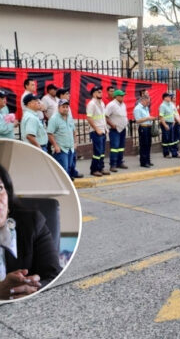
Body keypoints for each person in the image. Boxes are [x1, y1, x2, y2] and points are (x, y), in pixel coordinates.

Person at [0, 164, 61, 300]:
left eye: (0, 188)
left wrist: (31, 289)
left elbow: (54, 275)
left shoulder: (32, 223)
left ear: (8, 197)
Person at [56, 88, 83, 180]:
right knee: (64, 162)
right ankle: (67, 177)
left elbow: (70, 121)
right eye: (67, 94)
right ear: (61, 95)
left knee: (72, 158)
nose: (69, 95)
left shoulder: (68, 107)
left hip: (70, 136)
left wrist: (74, 133)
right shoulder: (59, 107)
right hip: (62, 141)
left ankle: (72, 172)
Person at [47, 99, 76, 177]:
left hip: (70, 148)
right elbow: (50, 134)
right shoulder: (54, 119)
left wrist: (75, 142)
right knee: (63, 170)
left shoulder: (69, 117)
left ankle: (68, 187)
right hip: (61, 149)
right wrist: (55, 146)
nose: (66, 109)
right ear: (59, 107)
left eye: (67, 107)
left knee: (69, 168)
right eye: (63, 107)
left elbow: (73, 130)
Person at [86, 86, 110, 177]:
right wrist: (97, 129)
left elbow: (103, 117)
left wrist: (105, 129)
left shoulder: (102, 103)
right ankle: (94, 169)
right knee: (97, 152)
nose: (101, 93)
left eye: (101, 92)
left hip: (102, 130)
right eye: (98, 92)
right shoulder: (92, 104)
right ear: (94, 94)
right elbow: (89, 118)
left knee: (102, 151)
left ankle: (101, 168)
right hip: (96, 131)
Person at [105, 89, 129, 172]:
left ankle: (120, 162)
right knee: (114, 147)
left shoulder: (123, 104)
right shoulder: (111, 105)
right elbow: (105, 116)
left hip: (122, 128)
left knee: (121, 147)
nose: (123, 97)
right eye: (121, 96)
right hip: (115, 129)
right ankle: (113, 165)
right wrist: (112, 125)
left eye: (123, 95)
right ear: (116, 96)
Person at [133, 94, 156, 168]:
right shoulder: (138, 108)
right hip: (143, 128)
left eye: (149, 102)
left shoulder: (146, 108)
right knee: (144, 145)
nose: (148, 103)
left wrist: (150, 119)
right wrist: (148, 118)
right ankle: (143, 162)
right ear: (142, 100)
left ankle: (148, 160)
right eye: (147, 102)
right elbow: (138, 120)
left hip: (148, 127)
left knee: (148, 145)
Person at [159, 93, 180, 159]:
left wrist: (174, 121)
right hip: (165, 123)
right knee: (166, 139)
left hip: (171, 123)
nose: (170, 98)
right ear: (165, 98)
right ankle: (166, 154)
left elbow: (173, 113)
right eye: (168, 97)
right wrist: (165, 125)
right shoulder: (162, 106)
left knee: (172, 139)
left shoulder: (171, 104)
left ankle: (174, 153)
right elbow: (161, 116)